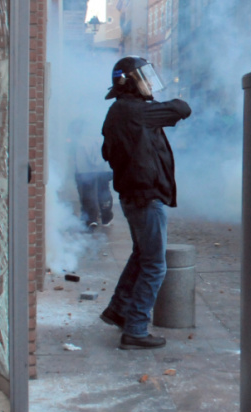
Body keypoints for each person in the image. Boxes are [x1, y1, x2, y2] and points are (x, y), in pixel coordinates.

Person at [98, 56, 192, 350]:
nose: (150, 83)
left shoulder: (120, 111)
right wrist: (155, 104)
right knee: (155, 265)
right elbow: (181, 109)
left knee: (142, 255)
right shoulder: (134, 111)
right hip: (144, 197)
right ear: (128, 82)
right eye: (144, 78)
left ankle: (119, 310)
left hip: (135, 196)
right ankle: (135, 329)